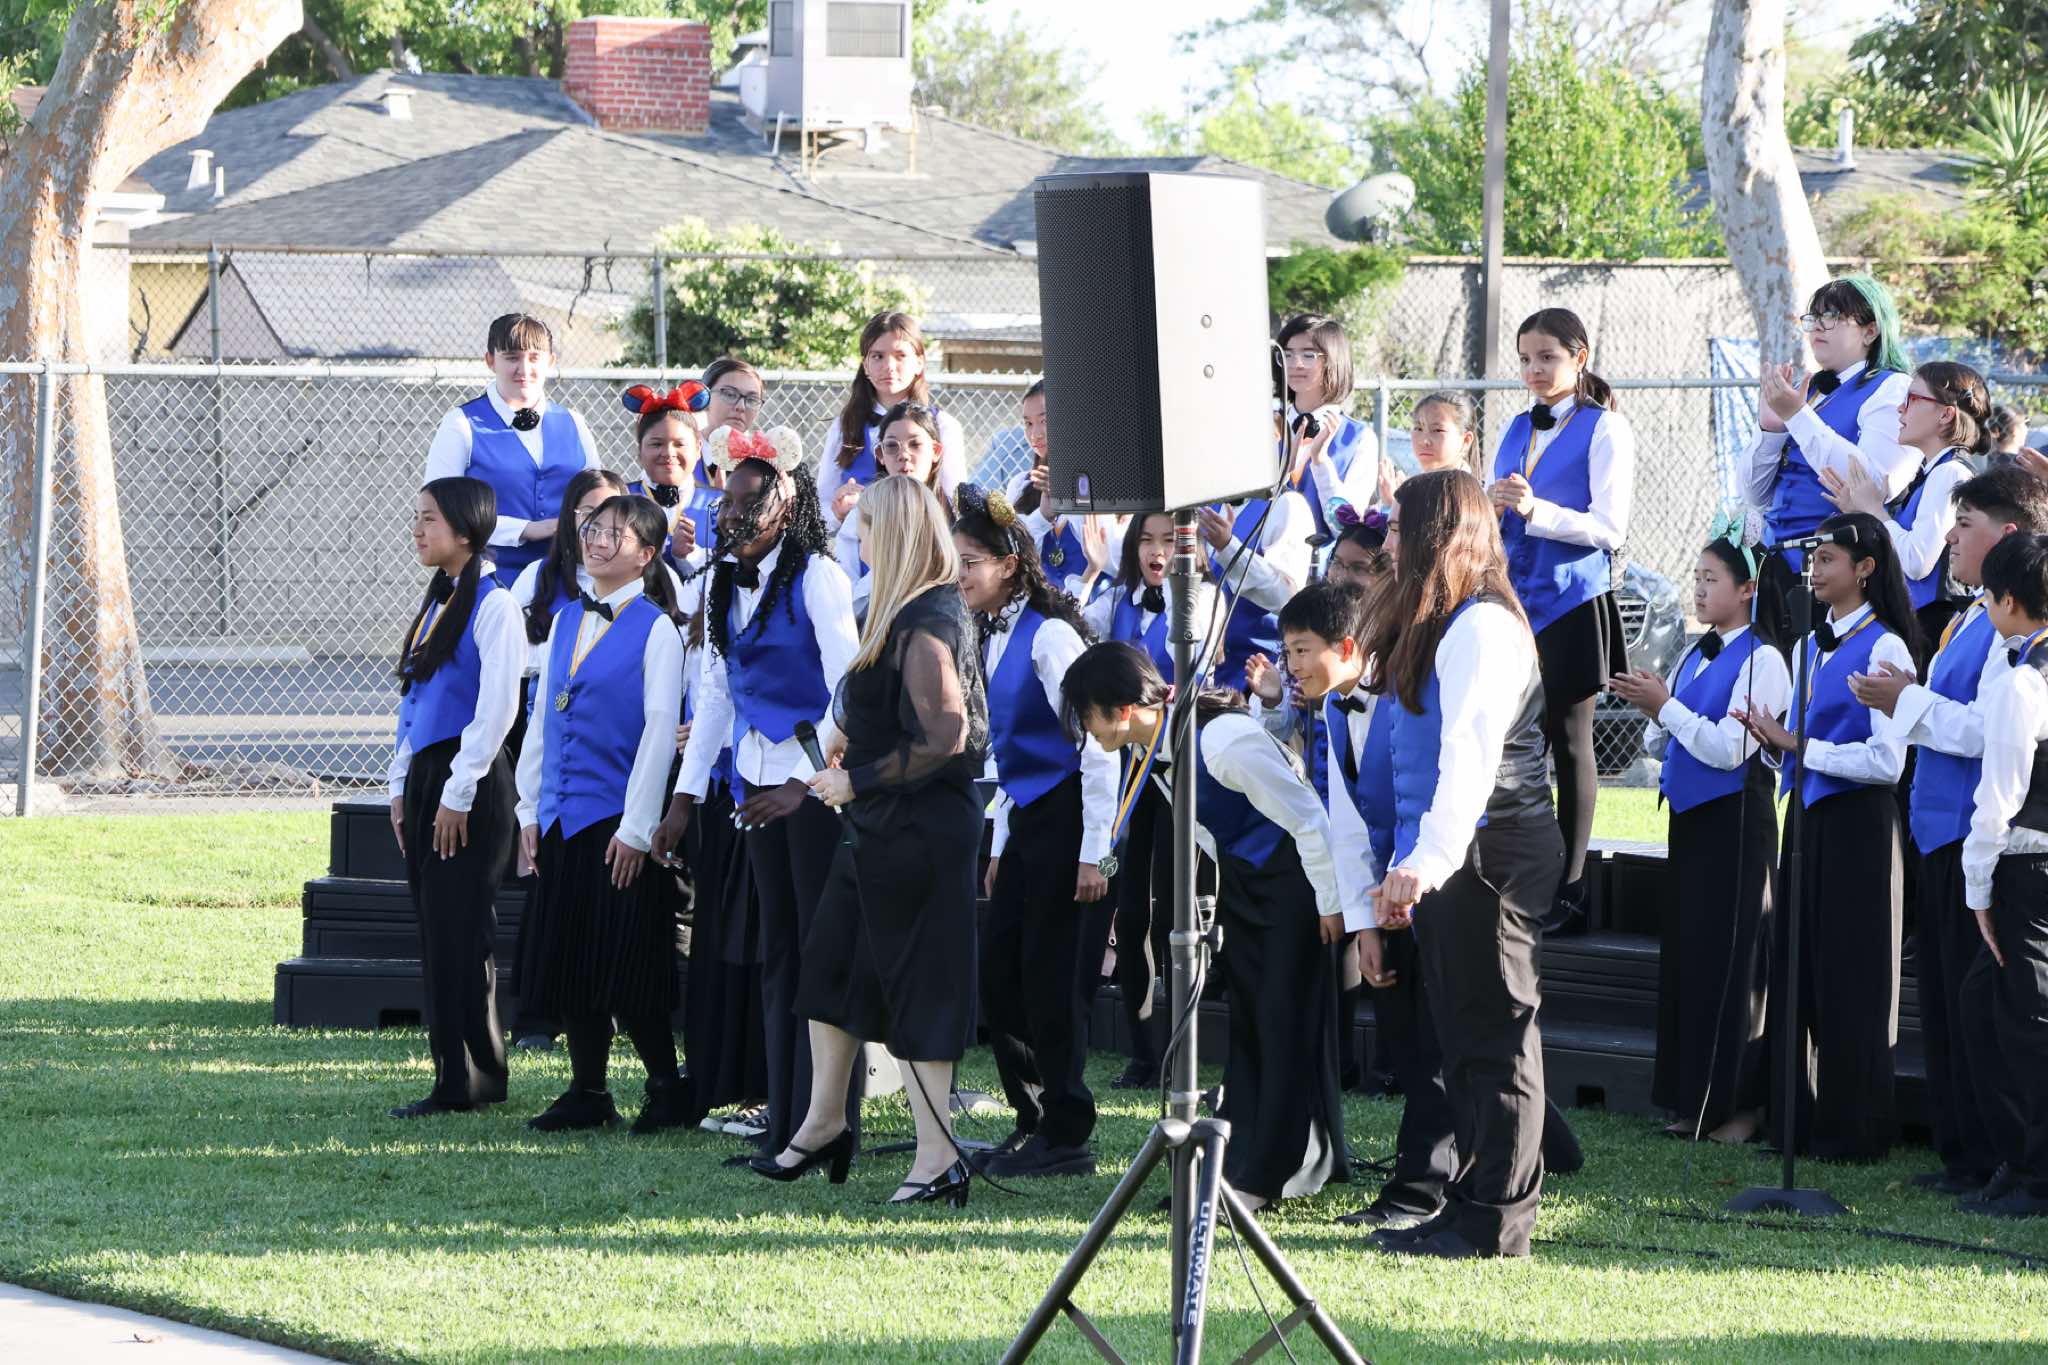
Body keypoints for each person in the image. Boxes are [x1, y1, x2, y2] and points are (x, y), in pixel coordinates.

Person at [754, 475, 988, 1207]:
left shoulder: (927, 618)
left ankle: (938, 1157)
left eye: (867, 532)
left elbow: (946, 736)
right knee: (832, 968)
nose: (859, 544)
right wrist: (839, 756)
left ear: (897, 535)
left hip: (921, 829)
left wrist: (856, 781)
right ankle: (824, 1121)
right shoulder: (903, 612)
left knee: (921, 987)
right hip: (880, 828)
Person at [1061, 642, 1349, 1211]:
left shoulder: (1221, 741)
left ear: (1122, 710)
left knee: (1280, 1024)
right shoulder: (1154, 750)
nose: (1085, 732)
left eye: (1086, 717)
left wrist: (1331, 905)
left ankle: (1270, 1174)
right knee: (1250, 1027)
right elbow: (1209, 833)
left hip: (1294, 889)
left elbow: (1308, 818)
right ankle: (1237, 1162)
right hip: (1248, 888)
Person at [1362, 469, 1562, 1260]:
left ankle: (1498, 1219)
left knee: (1498, 1037)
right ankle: (1470, 1200)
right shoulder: (1449, 621)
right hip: (1460, 853)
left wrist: (1431, 858)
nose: (1388, 542)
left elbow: (1471, 757)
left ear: (1438, 534)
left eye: (1398, 527)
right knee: (1464, 1039)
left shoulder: (1482, 626)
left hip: (1491, 849)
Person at [652, 426, 860, 1163]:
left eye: (751, 501)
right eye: (728, 501)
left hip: (814, 785)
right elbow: (715, 693)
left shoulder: (818, 576)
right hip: (752, 780)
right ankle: (784, 1125)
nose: (734, 513)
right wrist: (683, 799)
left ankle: (827, 1122)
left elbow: (848, 689)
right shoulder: (718, 581)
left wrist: (807, 784)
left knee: (818, 952)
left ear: (788, 504)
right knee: (779, 953)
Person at [1852, 466, 2048, 1192]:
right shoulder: (1969, 616)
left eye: (1963, 525)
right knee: (1945, 1002)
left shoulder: (2013, 634)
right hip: (1936, 828)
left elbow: (1983, 731)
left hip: (1983, 839)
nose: (1949, 538)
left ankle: (2003, 1158)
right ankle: (1962, 1152)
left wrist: (1906, 702)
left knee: (1991, 1010)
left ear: (2008, 535)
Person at [1734, 512, 1918, 1163]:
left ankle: (1854, 1129)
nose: (1814, 569)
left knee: (1854, 976)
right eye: (1813, 558)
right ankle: (1797, 1122)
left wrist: (1800, 746)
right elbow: (1796, 743)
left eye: (1829, 558)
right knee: (1800, 966)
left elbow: (1887, 762)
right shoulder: (1806, 647)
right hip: (1807, 822)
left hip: (1861, 827)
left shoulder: (1888, 647)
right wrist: (1770, 742)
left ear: (1865, 568)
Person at [514, 495, 698, 1134]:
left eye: (616, 535)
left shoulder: (657, 628)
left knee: (629, 959)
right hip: (562, 816)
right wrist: (530, 808)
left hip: (616, 819)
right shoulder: (565, 617)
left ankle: (666, 1087)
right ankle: (588, 1089)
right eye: (593, 528)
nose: (596, 540)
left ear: (647, 555)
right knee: (570, 955)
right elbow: (543, 716)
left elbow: (657, 732)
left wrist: (637, 828)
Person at [1275, 579, 1452, 1229]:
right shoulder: (1331, 708)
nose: (1291, 666)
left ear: (1348, 647)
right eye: (1287, 652)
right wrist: (1365, 925)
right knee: (1407, 1039)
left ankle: (1422, 1189)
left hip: (1438, 882)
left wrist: (1411, 884)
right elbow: (1347, 823)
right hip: (1386, 896)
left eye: (1302, 651)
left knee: (1437, 1044)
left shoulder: (1408, 693)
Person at [953, 483, 1113, 1177]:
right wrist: (1001, 841)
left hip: (1068, 816)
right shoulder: (990, 631)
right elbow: (1007, 749)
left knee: (1051, 979)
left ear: (1009, 565)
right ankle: (1033, 1117)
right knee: (1001, 973)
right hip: (1026, 818)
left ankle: (1067, 1131)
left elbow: (1099, 745)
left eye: (970, 563)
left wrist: (1095, 852)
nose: (961, 576)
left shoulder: (1050, 636)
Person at [1610, 530, 1790, 1144]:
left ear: (1747, 589)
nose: (1700, 589)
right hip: (1690, 823)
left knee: (1736, 961)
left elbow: (1727, 749)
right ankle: (1692, 1099)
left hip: (1735, 824)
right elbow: (1670, 735)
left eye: (1712, 579)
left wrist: (1665, 707)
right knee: (1692, 959)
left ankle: (1740, 1108)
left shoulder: (1765, 661)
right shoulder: (1694, 652)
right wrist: (1651, 707)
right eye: (1696, 578)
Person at [1487, 308, 1636, 936]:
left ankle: (1571, 890)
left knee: (1572, 744)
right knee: (1513, 742)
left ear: (1580, 356)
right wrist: (1493, 507)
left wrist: (1537, 510)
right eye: (1525, 359)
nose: (1534, 370)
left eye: (1547, 357)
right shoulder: (1516, 425)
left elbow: (1610, 528)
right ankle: (1520, 875)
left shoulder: (1607, 428)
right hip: (1513, 603)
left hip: (1572, 602)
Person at [385, 476, 524, 1119]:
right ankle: (464, 1072)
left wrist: (457, 792)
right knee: (440, 930)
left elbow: (496, 710)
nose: (417, 530)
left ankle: (466, 1078)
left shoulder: (495, 605)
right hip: (429, 777)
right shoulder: (439, 599)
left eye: (429, 519)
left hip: (468, 780)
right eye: (416, 517)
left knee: (459, 930)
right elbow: (415, 701)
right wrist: (400, 786)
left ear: (467, 530)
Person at [1078, 513, 1219, 1090]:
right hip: (1132, 771)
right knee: (1130, 910)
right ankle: (1141, 1050)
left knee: (1174, 915)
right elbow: (1074, 638)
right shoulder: (1117, 601)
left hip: (1180, 770)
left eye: (1168, 539)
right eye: (1146, 540)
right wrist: (1090, 572)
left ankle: (1182, 1047)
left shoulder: (1202, 598)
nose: (1156, 551)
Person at [504, 467, 630, 1050]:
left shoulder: (644, 587)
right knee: (546, 881)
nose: (598, 531)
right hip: (547, 736)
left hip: (612, 753)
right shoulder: (538, 578)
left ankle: (606, 1006)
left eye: (611, 517)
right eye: (587, 516)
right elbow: (517, 665)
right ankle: (538, 1013)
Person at [1740, 274, 1915, 643]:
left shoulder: (1892, 387)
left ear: (1870, 331)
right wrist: (1770, 430)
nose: (1817, 326)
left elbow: (1874, 482)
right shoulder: (1811, 390)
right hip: (1776, 564)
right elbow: (1754, 494)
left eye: (1832, 316)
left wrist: (1797, 416)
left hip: (1836, 574)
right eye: (1813, 317)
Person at [1957, 531, 2048, 1217]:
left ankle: (2034, 1176)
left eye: (1988, 597)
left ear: (2011, 601)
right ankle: (2016, 1160)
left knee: (2026, 1021)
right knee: (1985, 1003)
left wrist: (1979, 888)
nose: (1986, 609)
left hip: (2027, 863)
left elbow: (1999, 800)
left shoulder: (2023, 682)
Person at [423, 313, 601, 588]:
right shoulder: (461, 424)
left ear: (551, 361)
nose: (524, 369)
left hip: (569, 582)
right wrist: (526, 529)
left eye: (534, 358)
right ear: (490, 361)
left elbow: (600, 501)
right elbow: (439, 510)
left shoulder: (574, 422)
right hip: (488, 582)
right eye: (511, 357)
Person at [1820, 360, 1991, 646]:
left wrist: (1874, 510)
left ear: (1946, 414)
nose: (1900, 408)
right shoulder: (1934, 471)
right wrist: (1862, 512)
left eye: (1912, 399)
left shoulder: (1950, 472)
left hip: (1932, 624)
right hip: (1919, 620)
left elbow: (1917, 561)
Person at [816, 312, 966, 539]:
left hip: (923, 548)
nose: (889, 366)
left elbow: (958, 508)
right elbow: (821, 510)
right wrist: (838, 513)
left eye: (900, 355)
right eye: (878, 356)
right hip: (860, 553)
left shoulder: (943, 426)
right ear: (865, 365)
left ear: (919, 362)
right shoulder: (845, 426)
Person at [1007, 379, 1118, 603]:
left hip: (1094, 608)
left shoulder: (1101, 482)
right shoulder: (1020, 485)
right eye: (1028, 423)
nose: (1035, 434)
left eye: (1044, 421)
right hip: (1037, 609)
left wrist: (1073, 498)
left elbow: (1115, 561)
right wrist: (1042, 516)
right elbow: (1011, 555)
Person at [1275, 313, 1376, 541]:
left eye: (1308, 355)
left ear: (1333, 360)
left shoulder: (1360, 439)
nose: (1295, 363)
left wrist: (1321, 462)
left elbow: (1346, 528)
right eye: (1287, 354)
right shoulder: (1267, 428)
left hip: (1321, 562)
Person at [834, 401, 953, 594]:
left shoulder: (955, 511)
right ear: (879, 454)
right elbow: (845, 589)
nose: (904, 455)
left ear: (936, 451)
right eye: (891, 446)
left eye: (915, 444)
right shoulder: (862, 513)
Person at [621, 382, 712, 572]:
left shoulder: (719, 506)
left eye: (679, 444)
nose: (669, 453)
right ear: (640, 450)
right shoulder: (620, 500)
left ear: (698, 448)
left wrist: (688, 556)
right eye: (656, 444)